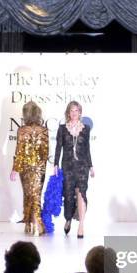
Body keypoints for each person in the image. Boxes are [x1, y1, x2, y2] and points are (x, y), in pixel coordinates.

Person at [54, 101, 94, 238]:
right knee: (69, 196)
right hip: (68, 167)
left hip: (82, 167)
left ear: (80, 112)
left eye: (76, 110)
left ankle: (81, 225)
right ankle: (68, 219)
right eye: (71, 110)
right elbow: (58, 147)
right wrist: (55, 165)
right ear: (68, 112)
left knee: (82, 194)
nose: (74, 113)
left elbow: (87, 149)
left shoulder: (86, 128)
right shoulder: (62, 129)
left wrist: (91, 166)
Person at [10, 101, 49, 236]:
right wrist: (40, 165)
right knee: (36, 195)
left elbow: (19, 152)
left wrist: (15, 169)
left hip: (25, 168)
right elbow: (45, 152)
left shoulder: (22, 130)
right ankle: (37, 225)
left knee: (28, 194)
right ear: (38, 113)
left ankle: (29, 224)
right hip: (39, 168)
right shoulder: (44, 130)